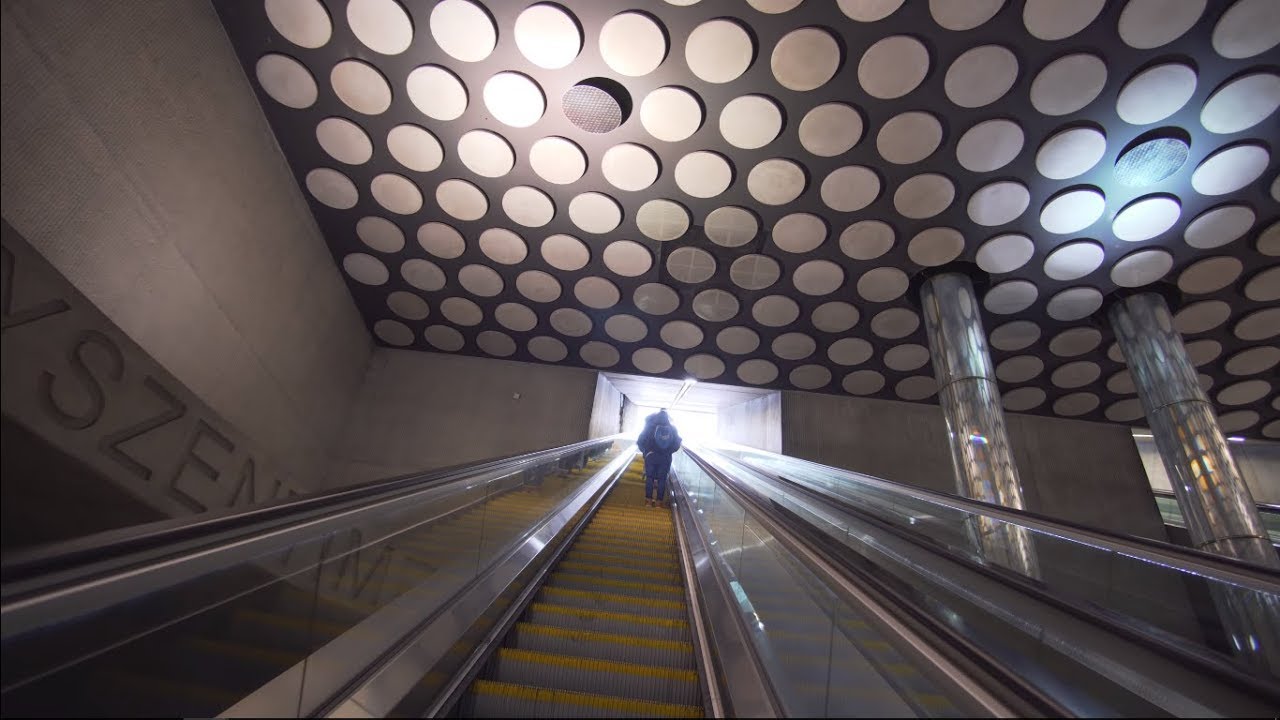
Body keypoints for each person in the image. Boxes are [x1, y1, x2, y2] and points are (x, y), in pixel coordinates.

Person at [637, 409, 681, 508]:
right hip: (665, 458)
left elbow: (640, 441)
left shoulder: (649, 426)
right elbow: (677, 443)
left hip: (651, 456)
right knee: (662, 479)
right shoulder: (672, 428)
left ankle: (648, 501)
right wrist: (668, 451)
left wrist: (646, 451)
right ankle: (658, 503)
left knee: (650, 478)